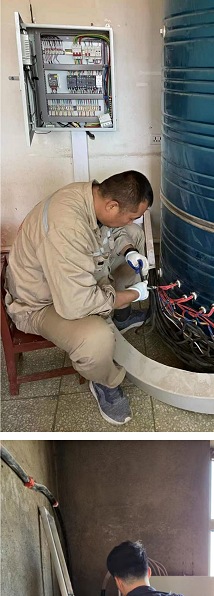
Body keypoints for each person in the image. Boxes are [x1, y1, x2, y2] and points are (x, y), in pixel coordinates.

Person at [5, 172, 154, 426]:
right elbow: (77, 303)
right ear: (112, 206)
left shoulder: (90, 196)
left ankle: (121, 316)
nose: (132, 220)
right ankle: (104, 382)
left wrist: (129, 250)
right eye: (131, 215)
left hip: (69, 279)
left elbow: (111, 233)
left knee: (134, 235)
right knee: (96, 338)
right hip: (40, 303)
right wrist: (133, 294)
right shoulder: (66, 229)